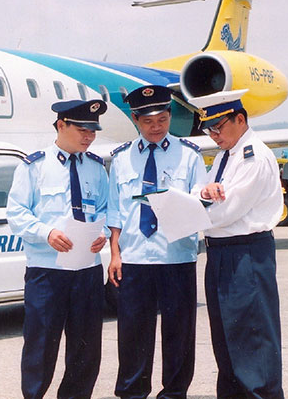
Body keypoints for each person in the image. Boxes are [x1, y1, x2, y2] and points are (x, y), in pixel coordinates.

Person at [107, 85, 207, 398]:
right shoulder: (122, 159)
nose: (156, 126)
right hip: (135, 258)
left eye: (162, 119)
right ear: (136, 120)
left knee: (179, 331)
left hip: (175, 257)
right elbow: (115, 213)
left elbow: (200, 203)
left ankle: (175, 392)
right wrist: (114, 254)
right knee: (133, 332)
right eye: (148, 121)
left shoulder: (189, 156)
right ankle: (132, 392)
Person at [6, 99, 109, 399]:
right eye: (83, 129)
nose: (89, 137)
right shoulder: (35, 166)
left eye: (93, 131)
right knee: (41, 345)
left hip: (87, 270)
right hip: (47, 271)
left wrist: (100, 233)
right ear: (61, 125)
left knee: (86, 348)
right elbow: (17, 212)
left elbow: (103, 209)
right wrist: (46, 232)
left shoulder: (95, 168)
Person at [190, 89, 284, 398]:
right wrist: (201, 197)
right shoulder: (223, 156)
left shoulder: (252, 157)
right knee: (228, 344)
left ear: (240, 119)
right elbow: (200, 192)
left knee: (252, 345)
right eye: (208, 129)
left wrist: (193, 208)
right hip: (221, 255)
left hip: (245, 254)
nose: (213, 135)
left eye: (218, 127)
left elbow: (225, 212)